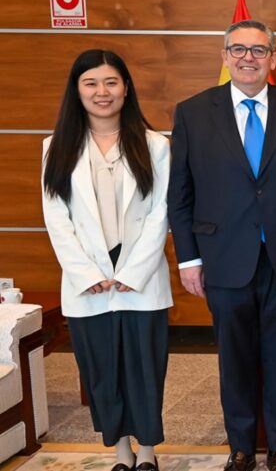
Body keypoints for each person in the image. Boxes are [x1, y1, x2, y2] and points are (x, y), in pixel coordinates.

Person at [167, 19, 276, 471]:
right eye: (238, 49)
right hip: (223, 257)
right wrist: (188, 258)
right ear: (225, 56)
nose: (248, 58)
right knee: (233, 358)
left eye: (258, 50)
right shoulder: (194, 112)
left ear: (273, 58)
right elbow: (180, 193)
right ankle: (240, 447)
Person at [41, 49, 172, 471]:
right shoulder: (55, 147)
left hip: (140, 275)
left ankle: (147, 451)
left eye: (111, 82)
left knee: (145, 368)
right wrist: (85, 273)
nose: (102, 92)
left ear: (126, 88)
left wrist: (135, 272)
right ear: (77, 90)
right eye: (91, 83)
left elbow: (160, 214)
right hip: (87, 278)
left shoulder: (155, 145)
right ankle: (121, 452)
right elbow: (56, 217)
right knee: (101, 371)